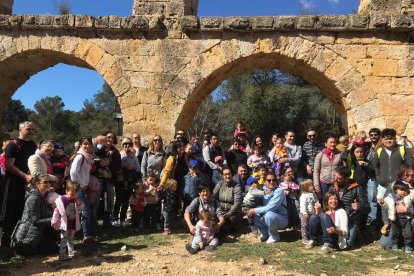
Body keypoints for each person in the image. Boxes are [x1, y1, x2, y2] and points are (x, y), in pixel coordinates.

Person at [1, 121, 37, 247]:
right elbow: (9, 165)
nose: (31, 131)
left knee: (23, 210)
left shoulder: (33, 145)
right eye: (28, 129)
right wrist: (25, 176)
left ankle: (19, 242)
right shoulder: (13, 145)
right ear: (20, 130)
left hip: (27, 183)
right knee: (10, 211)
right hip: (13, 183)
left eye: (33, 129)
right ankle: (6, 243)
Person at [12, 174, 59, 256]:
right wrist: (53, 219)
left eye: (49, 182)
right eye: (45, 182)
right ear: (37, 184)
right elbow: (35, 221)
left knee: (56, 248)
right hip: (27, 239)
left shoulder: (41, 197)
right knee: (54, 250)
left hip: (37, 233)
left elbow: (43, 214)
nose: (48, 184)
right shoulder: (34, 198)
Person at [328, 166, 370, 248]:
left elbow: (367, 208)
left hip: (350, 220)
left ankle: (357, 234)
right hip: (335, 218)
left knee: (346, 245)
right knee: (333, 242)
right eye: (335, 176)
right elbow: (326, 202)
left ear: (346, 178)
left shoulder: (357, 188)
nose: (336, 179)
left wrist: (359, 206)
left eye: (339, 178)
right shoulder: (333, 186)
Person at [372, 128, 413, 203]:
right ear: (383, 140)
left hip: (399, 187)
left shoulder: (403, 149)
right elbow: (375, 166)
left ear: (395, 139)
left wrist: (405, 179)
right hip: (383, 186)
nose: (388, 141)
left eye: (391, 138)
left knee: (400, 210)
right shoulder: (379, 151)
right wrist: (379, 177)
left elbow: (410, 165)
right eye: (386, 139)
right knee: (385, 210)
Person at [246, 171, 288, 243]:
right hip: (268, 217)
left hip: (282, 219)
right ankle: (265, 233)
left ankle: (274, 236)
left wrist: (254, 210)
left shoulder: (279, 191)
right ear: (264, 182)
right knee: (255, 213)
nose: (271, 182)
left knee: (268, 214)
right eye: (269, 180)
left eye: (273, 180)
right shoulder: (263, 190)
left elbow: (271, 207)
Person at [69, 136, 94, 243]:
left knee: (84, 211)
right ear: (80, 145)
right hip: (79, 189)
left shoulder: (87, 157)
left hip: (83, 187)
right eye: (85, 144)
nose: (87, 146)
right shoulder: (80, 156)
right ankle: (86, 236)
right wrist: (79, 185)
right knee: (86, 211)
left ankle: (86, 234)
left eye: (89, 144)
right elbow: (73, 172)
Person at [51, 180, 84, 260]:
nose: (73, 196)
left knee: (71, 238)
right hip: (64, 223)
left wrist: (78, 202)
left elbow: (81, 208)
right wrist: (54, 220)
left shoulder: (75, 199)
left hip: (72, 222)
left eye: (76, 194)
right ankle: (62, 254)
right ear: (66, 190)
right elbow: (56, 210)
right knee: (64, 239)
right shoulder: (61, 199)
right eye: (72, 194)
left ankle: (71, 251)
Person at [381, 180, 413, 253]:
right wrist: (386, 222)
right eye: (401, 190)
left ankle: (408, 246)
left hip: (405, 219)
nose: (403, 192)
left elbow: (411, 209)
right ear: (395, 190)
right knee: (395, 233)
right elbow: (385, 209)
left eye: (405, 190)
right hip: (394, 220)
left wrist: (406, 210)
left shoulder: (407, 199)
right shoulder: (389, 198)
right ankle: (395, 245)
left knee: (408, 233)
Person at [113, 138, 139, 227]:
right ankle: (115, 218)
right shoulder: (119, 154)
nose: (127, 146)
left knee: (126, 201)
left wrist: (133, 168)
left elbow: (138, 168)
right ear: (122, 145)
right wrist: (125, 167)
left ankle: (123, 218)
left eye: (129, 144)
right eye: (125, 144)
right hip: (120, 180)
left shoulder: (134, 156)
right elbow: (116, 167)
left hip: (130, 180)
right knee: (118, 200)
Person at [213, 168, 243, 234]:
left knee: (230, 220)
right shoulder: (220, 184)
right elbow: (214, 196)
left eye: (229, 174)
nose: (227, 176)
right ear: (222, 176)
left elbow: (237, 203)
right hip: (221, 210)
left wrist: (229, 213)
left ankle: (228, 229)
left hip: (233, 211)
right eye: (225, 174)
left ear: (231, 175)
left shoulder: (236, 186)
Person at [313, 133, 342, 199]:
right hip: (323, 182)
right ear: (325, 144)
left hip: (336, 182)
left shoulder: (340, 154)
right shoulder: (320, 155)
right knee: (325, 201)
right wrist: (316, 185)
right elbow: (316, 171)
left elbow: (343, 168)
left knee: (335, 200)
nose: (333, 144)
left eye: (334, 142)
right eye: (331, 142)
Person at [102, 131, 122, 227]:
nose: (110, 139)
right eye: (108, 137)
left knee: (110, 199)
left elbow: (118, 165)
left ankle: (108, 221)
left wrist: (109, 163)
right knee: (96, 200)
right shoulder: (99, 148)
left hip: (110, 179)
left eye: (112, 138)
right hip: (99, 178)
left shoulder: (116, 152)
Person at [365, 128, 381, 225]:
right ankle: (373, 219)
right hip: (370, 178)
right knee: (372, 199)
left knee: (378, 199)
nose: (373, 136)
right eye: (371, 135)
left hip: (379, 176)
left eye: (376, 134)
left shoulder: (382, 148)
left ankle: (378, 219)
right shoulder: (368, 149)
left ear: (379, 136)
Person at [299, 179, 319, 247]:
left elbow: (316, 200)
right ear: (305, 187)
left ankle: (311, 237)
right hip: (304, 214)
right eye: (311, 185)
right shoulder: (303, 196)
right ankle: (305, 239)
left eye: (313, 184)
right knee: (304, 226)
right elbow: (302, 205)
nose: (313, 186)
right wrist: (304, 213)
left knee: (310, 225)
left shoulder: (313, 193)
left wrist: (317, 203)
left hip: (312, 213)